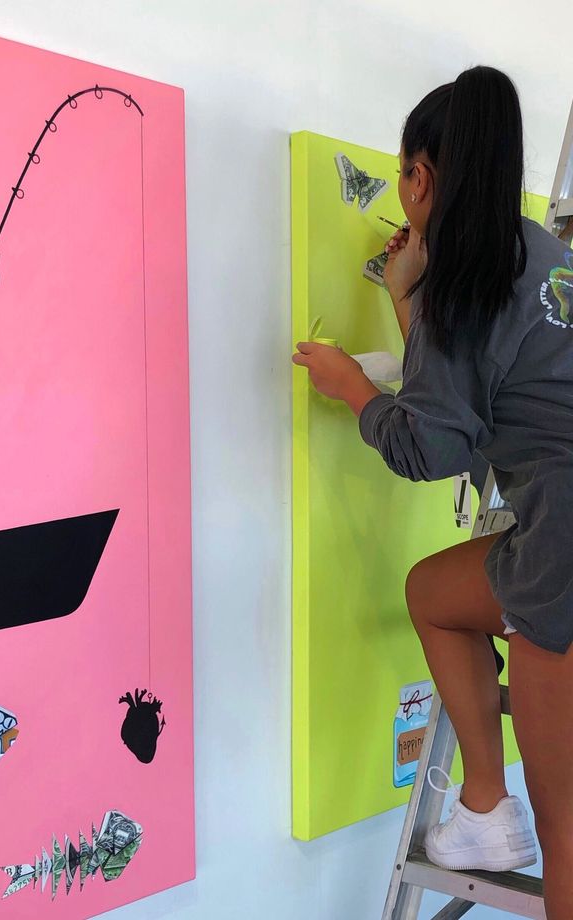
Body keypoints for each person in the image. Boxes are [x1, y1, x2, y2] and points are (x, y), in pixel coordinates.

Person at [293, 65, 573, 919]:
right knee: (433, 592)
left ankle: (497, 808)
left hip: (563, 556)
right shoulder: (541, 250)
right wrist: (408, 301)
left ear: (419, 178)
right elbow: (472, 389)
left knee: (567, 839)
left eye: (407, 177)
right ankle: (484, 808)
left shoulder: (468, 283)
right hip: (554, 533)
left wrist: (350, 385)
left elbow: (431, 446)